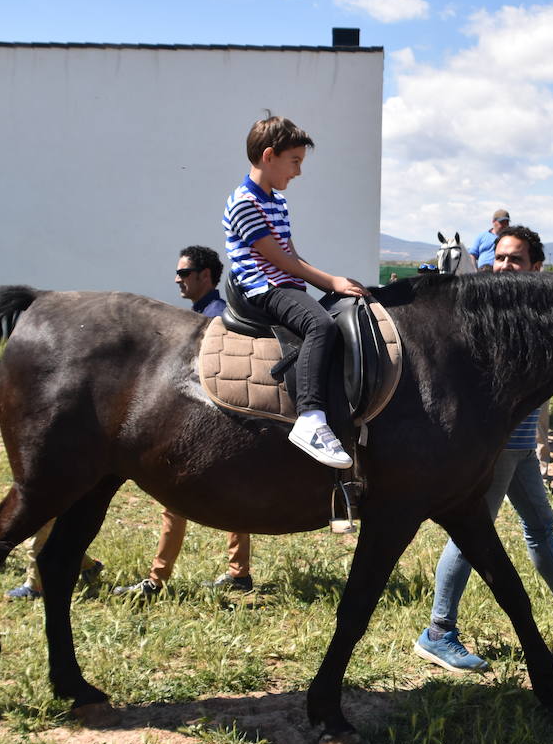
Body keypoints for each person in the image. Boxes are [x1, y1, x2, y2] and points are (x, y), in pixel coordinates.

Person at [413, 224, 553, 674]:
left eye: (516, 259)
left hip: (522, 442)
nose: (505, 266)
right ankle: (437, 631)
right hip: (497, 443)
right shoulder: (483, 309)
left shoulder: (537, 311)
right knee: (472, 532)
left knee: (540, 524)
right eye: (501, 258)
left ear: (536, 267)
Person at [222, 112, 369, 469]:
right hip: (260, 286)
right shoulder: (245, 202)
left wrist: (331, 282)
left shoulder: (277, 201)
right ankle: (310, 418)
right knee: (321, 326)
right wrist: (331, 281)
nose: (298, 172)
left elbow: (290, 255)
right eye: (294, 162)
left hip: (281, 282)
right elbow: (277, 259)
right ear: (269, 155)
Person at [113, 245, 255, 598]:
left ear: (204, 276)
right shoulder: (202, 313)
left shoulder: (215, 317)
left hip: (205, 423)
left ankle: (156, 581)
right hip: (207, 421)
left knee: (174, 502)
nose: (177, 279)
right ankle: (238, 574)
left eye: (183, 273)